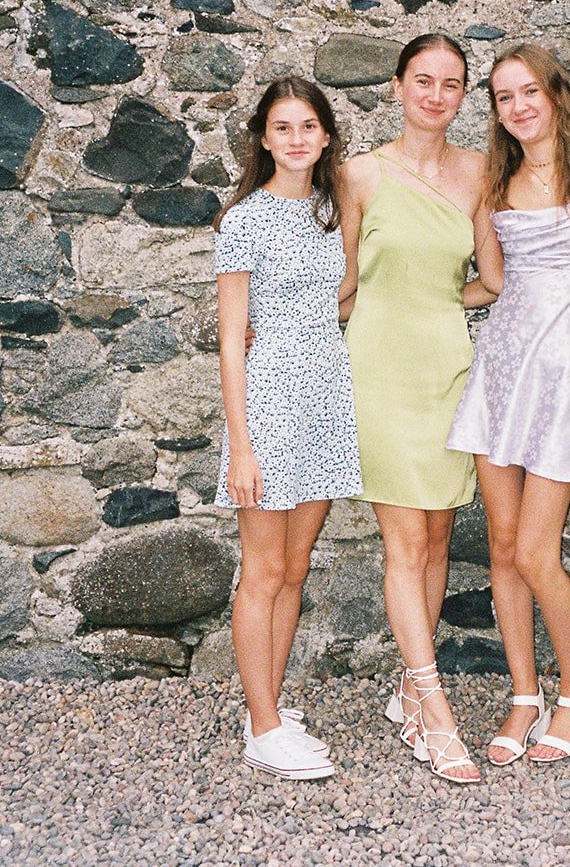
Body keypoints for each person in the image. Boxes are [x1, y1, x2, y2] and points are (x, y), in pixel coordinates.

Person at [446, 44, 570, 767]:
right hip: (503, 367)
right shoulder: (495, 184)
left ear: (555, 95)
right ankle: (525, 695)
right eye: (502, 97)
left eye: (527, 93)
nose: (516, 108)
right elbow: (488, 282)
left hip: (566, 369)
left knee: (540, 552)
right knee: (504, 551)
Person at [338, 33, 495, 784]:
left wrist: (438, 303)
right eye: (423, 81)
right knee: (406, 543)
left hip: (448, 367)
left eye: (452, 84)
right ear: (397, 87)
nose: (436, 96)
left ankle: (409, 681)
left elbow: (493, 280)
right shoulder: (359, 174)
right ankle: (434, 709)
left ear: (464, 96)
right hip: (378, 371)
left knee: (437, 538)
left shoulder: (481, 174)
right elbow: (340, 285)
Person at [215, 77, 362, 781]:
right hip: (269, 403)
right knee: (265, 570)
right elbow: (229, 336)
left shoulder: (333, 211)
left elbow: (348, 292)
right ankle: (264, 728)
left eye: (309, 126)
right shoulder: (244, 220)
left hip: (325, 399)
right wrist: (241, 445)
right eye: (283, 127)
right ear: (264, 138)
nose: (297, 138)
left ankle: (265, 702)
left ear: (326, 135)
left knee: (296, 568)